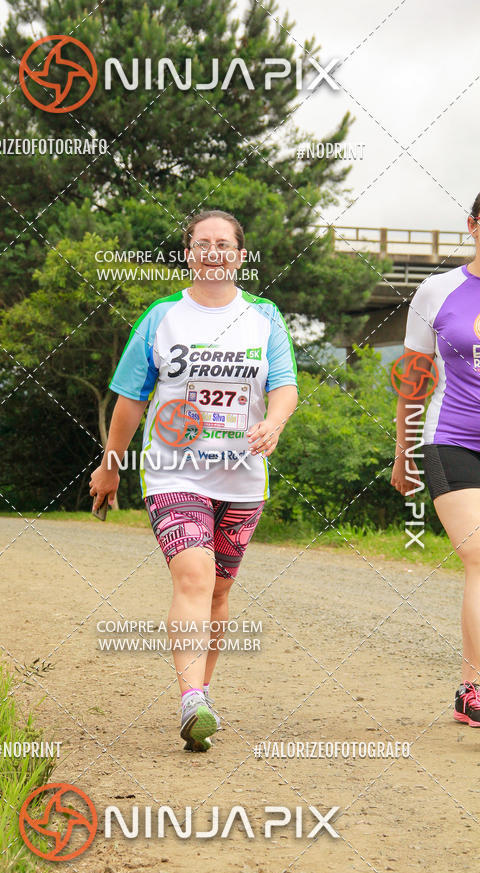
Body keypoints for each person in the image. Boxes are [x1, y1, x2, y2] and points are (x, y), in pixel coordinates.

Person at [89, 209, 298, 751]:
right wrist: (111, 463)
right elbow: (131, 399)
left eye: (223, 244)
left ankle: (199, 695)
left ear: (240, 256)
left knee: (220, 589)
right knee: (194, 577)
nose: (213, 251)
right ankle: (190, 699)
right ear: (188, 253)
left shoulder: (264, 316)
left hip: (243, 478)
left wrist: (273, 422)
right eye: (202, 243)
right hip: (173, 471)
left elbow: (285, 385)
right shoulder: (162, 318)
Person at [391, 191, 480, 727]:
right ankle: (475, 687)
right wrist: (404, 451)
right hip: (453, 440)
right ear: (473, 224)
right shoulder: (438, 290)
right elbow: (413, 381)